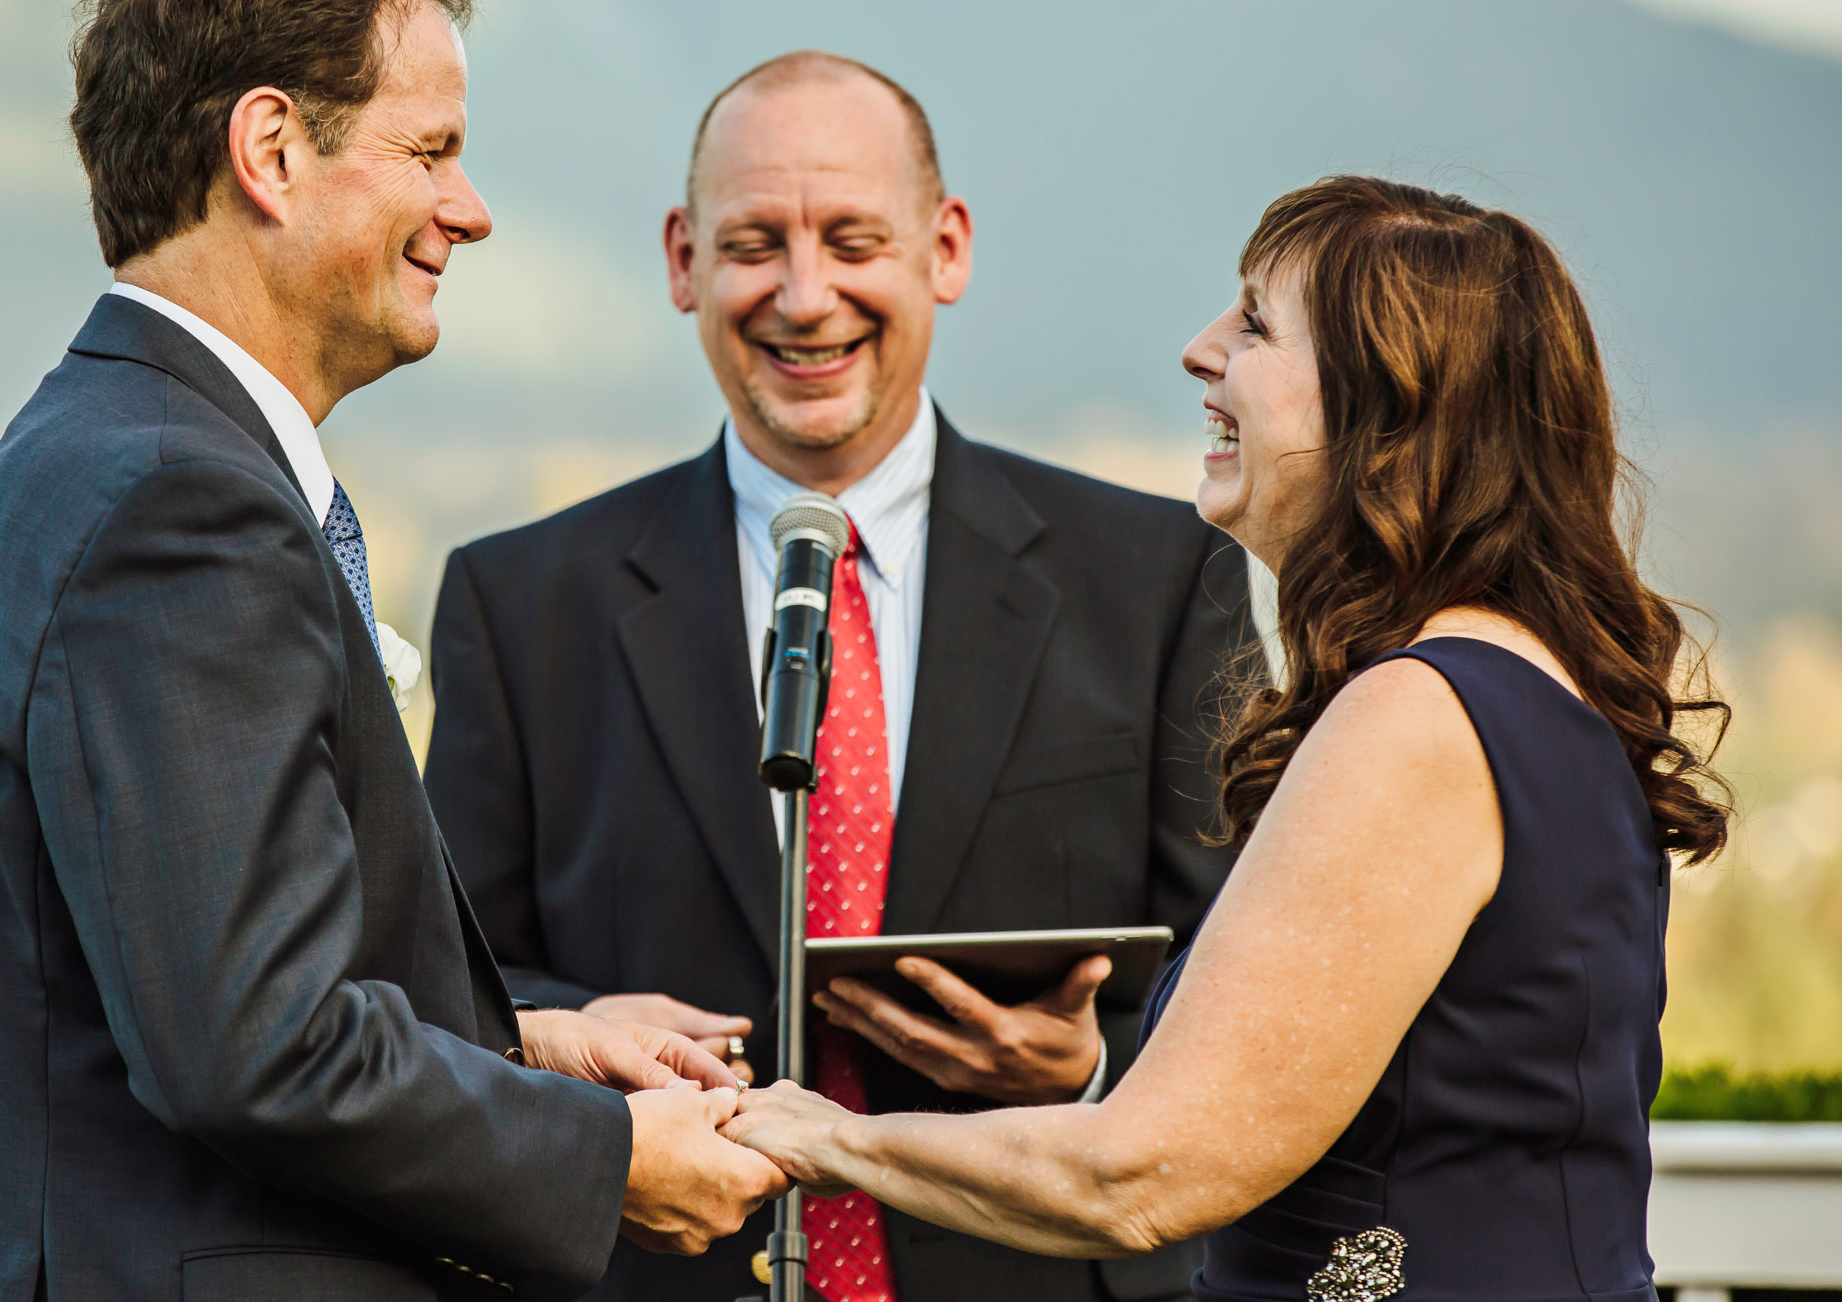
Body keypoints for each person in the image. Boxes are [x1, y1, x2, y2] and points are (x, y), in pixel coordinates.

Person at [0, 0, 782, 1301]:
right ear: (271, 149)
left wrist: (530, 1042)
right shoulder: (177, 506)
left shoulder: (97, 452)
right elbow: (260, 1046)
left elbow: (181, 973)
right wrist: (607, 1156)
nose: (470, 210)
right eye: (429, 152)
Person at [722, 176, 1733, 1300]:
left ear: (1392, 401)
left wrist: (821, 1135)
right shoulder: (1529, 689)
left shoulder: (1420, 714)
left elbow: (1142, 1175)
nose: (1203, 351)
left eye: (1254, 324)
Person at [425, 51, 1249, 1302]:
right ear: (683, 260)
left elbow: (1240, 980)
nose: (806, 298)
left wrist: (1086, 1072)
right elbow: (451, 979)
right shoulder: (521, 600)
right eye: (756, 243)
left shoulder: (1157, 576)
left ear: (947, 249)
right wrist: (576, 1043)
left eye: (854, 240)